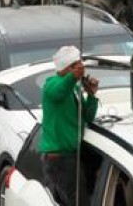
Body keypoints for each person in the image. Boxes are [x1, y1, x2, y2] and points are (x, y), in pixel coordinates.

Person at [39, 46, 99, 206]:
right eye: (78, 66)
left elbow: (88, 116)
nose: (82, 69)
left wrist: (91, 95)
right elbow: (58, 92)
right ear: (69, 68)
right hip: (60, 160)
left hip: (72, 156)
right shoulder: (52, 84)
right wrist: (72, 78)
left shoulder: (75, 88)